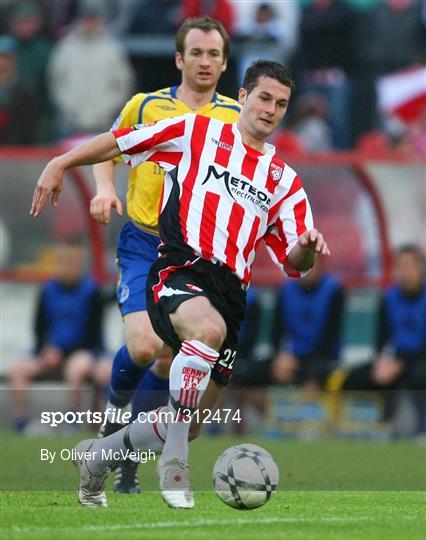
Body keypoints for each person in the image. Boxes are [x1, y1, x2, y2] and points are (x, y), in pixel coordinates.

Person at [31, 60, 330, 509]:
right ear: (243, 98)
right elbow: (120, 141)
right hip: (178, 269)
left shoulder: (284, 182)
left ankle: (97, 458)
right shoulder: (195, 133)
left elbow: (294, 263)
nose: (271, 109)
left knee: (185, 420)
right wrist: (62, 161)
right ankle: (175, 467)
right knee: (203, 335)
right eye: (264, 98)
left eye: (282, 103)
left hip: (231, 296)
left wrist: (307, 246)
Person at [90, 16, 241, 493]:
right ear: (179, 59)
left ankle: (128, 459)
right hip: (143, 241)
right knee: (143, 347)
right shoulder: (146, 105)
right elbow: (108, 150)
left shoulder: (236, 119)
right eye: (195, 52)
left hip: (194, 254)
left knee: (167, 364)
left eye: (213, 54)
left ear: (223, 63)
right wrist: (102, 191)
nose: (204, 61)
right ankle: (111, 421)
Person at [8, 239, 110, 432]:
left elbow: (93, 334)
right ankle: (21, 423)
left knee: (76, 369)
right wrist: (44, 350)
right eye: (63, 261)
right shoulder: (47, 290)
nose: (68, 266)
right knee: (18, 370)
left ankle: (70, 421)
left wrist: (62, 353)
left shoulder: (92, 291)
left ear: (80, 264)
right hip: (50, 353)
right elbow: (38, 327)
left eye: (72, 262)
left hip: (83, 351)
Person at [341, 245, 426, 435]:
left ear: (421, 269)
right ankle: (372, 424)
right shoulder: (389, 298)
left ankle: (422, 427)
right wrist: (382, 361)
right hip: (394, 360)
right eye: (401, 267)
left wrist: (401, 365)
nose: (405, 273)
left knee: (420, 374)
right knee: (353, 377)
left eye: (410, 267)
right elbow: (381, 339)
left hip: (419, 360)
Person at [47, 4, 134, 138]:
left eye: (93, 19)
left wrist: (107, 109)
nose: (90, 24)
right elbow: (55, 81)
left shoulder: (112, 48)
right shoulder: (66, 47)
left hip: (104, 123)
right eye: (87, 19)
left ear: (100, 21)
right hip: (70, 123)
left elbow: (124, 84)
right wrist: (68, 107)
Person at [272, 258, 345, 390]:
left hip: (322, 358)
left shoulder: (334, 291)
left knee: (313, 377)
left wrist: (297, 361)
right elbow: (276, 331)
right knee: (251, 374)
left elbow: (330, 338)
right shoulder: (285, 290)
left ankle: (304, 408)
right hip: (290, 357)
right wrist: (280, 355)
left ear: (321, 265)